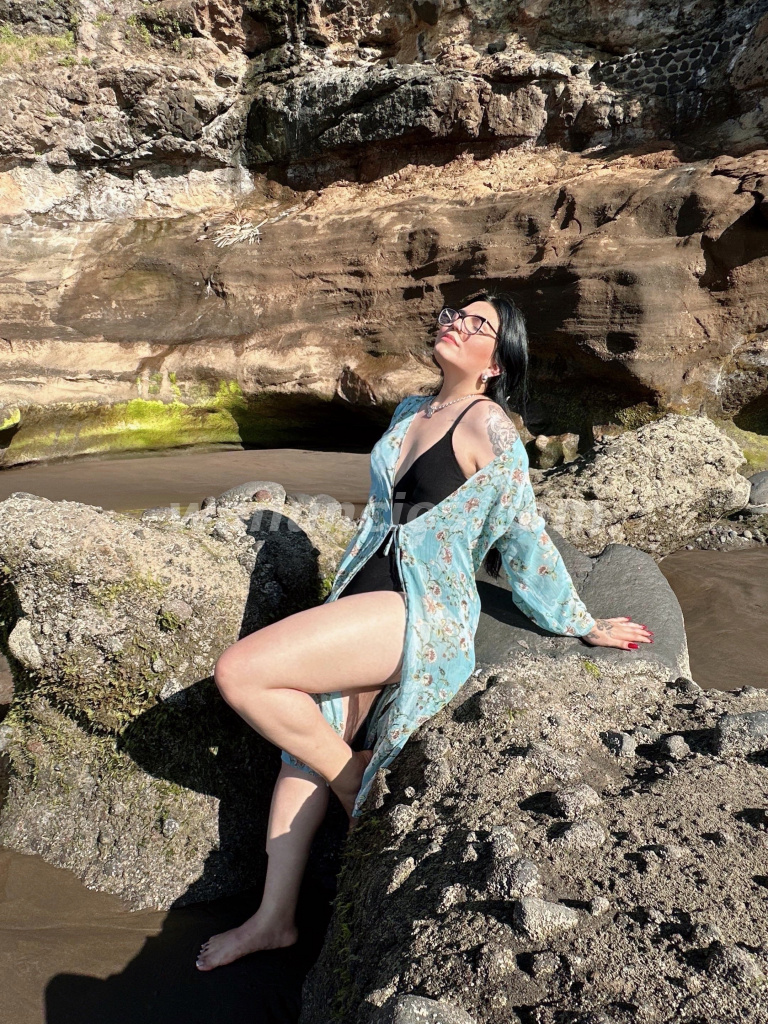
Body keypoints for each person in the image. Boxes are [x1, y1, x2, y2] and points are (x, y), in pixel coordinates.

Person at [195, 292, 653, 971]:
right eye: (454, 314)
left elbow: (522, 534)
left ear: (496, 362)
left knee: (241, 672)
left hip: (419, 605)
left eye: (477, 323)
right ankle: (273, 919)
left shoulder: (490, 426)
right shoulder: (411, 409)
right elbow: (395, 510)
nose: (455, 324)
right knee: (303, 751)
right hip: (360, 591)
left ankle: (350, 782)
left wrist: (581, 621)